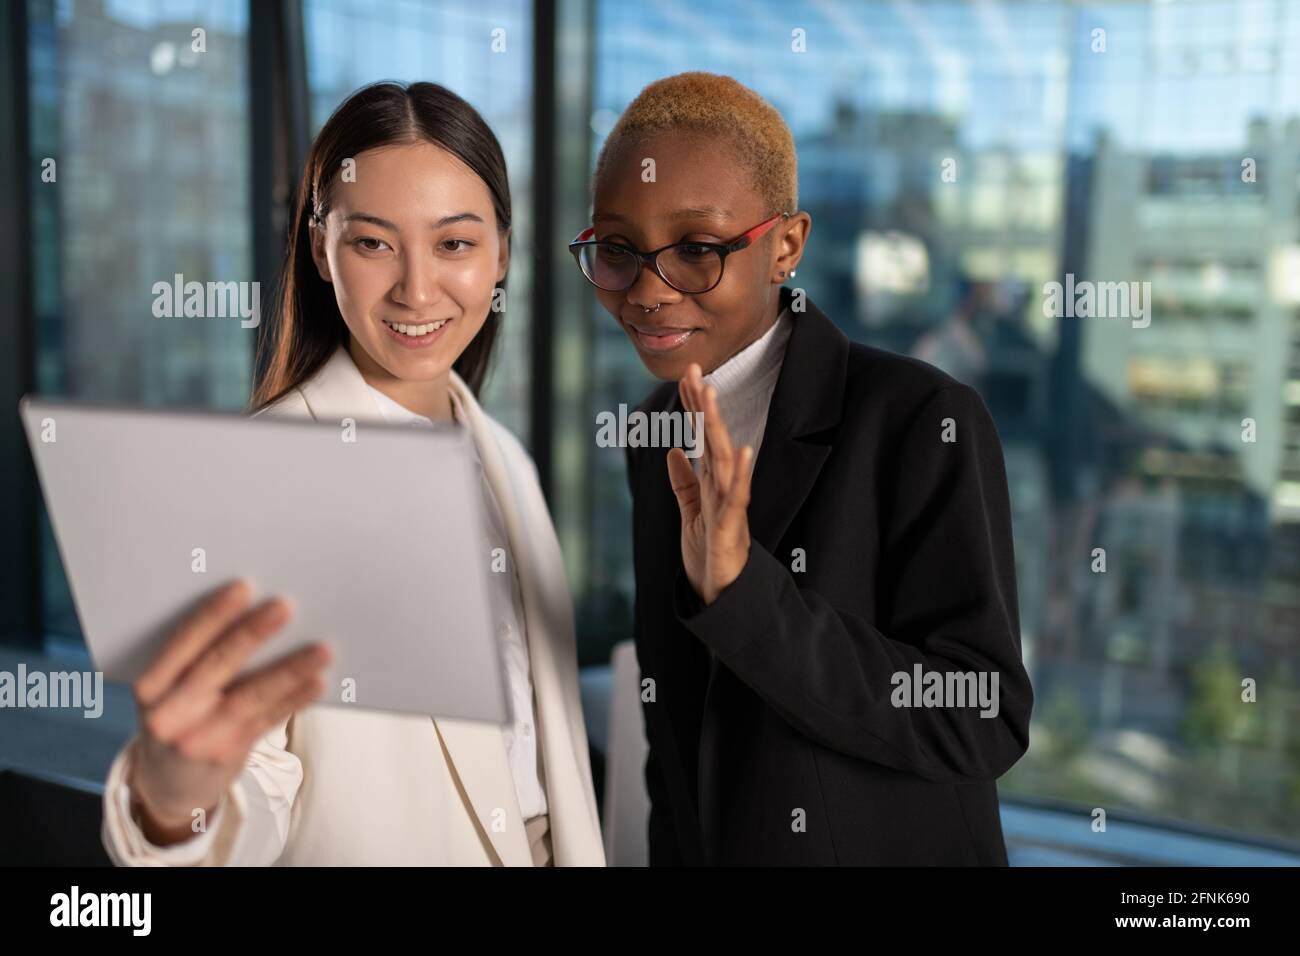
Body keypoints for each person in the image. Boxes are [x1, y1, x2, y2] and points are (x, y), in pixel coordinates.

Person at [101, 81, 605, 866]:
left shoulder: (508, 462)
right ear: (319, 247)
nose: (415, 288)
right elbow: (251, 788)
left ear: (502, 251)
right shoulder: (257, 480)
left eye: (455, 243)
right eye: (372, 242)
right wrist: (175, 807)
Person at [571, 72, 1033, 865]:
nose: (647, 292)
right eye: (618, 250)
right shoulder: (653, 432)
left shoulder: (922, 417)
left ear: (785, 245)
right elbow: (674, 735)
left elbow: (982, 714)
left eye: (695, 249)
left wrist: (743, 592)